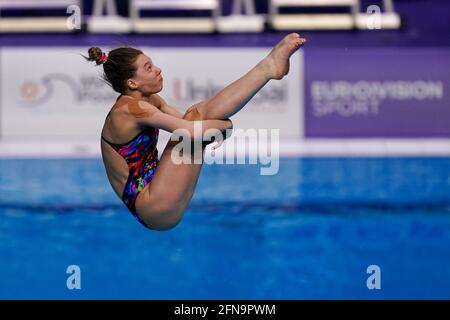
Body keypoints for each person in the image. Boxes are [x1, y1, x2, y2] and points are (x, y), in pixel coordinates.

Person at [86, 33, 306, 231]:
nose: (158, 70)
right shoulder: (130, 109)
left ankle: (268, 68)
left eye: (152, 65)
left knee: (195, 114)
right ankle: (266, 68)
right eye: (148, 68)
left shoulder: (147, 100)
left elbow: (189, 121)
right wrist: (225, 126)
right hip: (153, 204)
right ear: (132, 82)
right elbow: (191, 133)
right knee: (195, 122)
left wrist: (215, 128)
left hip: (160, 193)